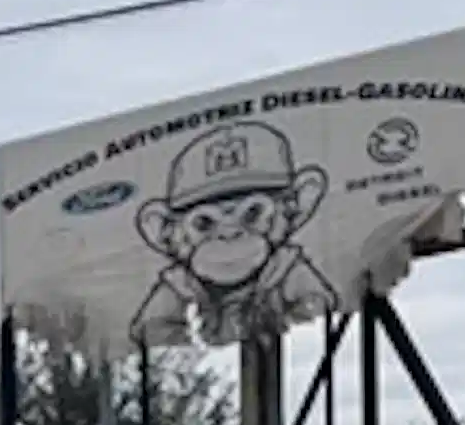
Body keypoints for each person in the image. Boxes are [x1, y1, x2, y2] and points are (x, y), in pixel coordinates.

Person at [126, 114, 339, 344]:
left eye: (252, 213)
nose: (229, 234)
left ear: (293, 208)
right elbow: (152, 330)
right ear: (167, 233)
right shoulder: (181, 283)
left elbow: (316, 310)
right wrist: (195, 348)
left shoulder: (285, 266)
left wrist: (281, 327)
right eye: (204, 223)